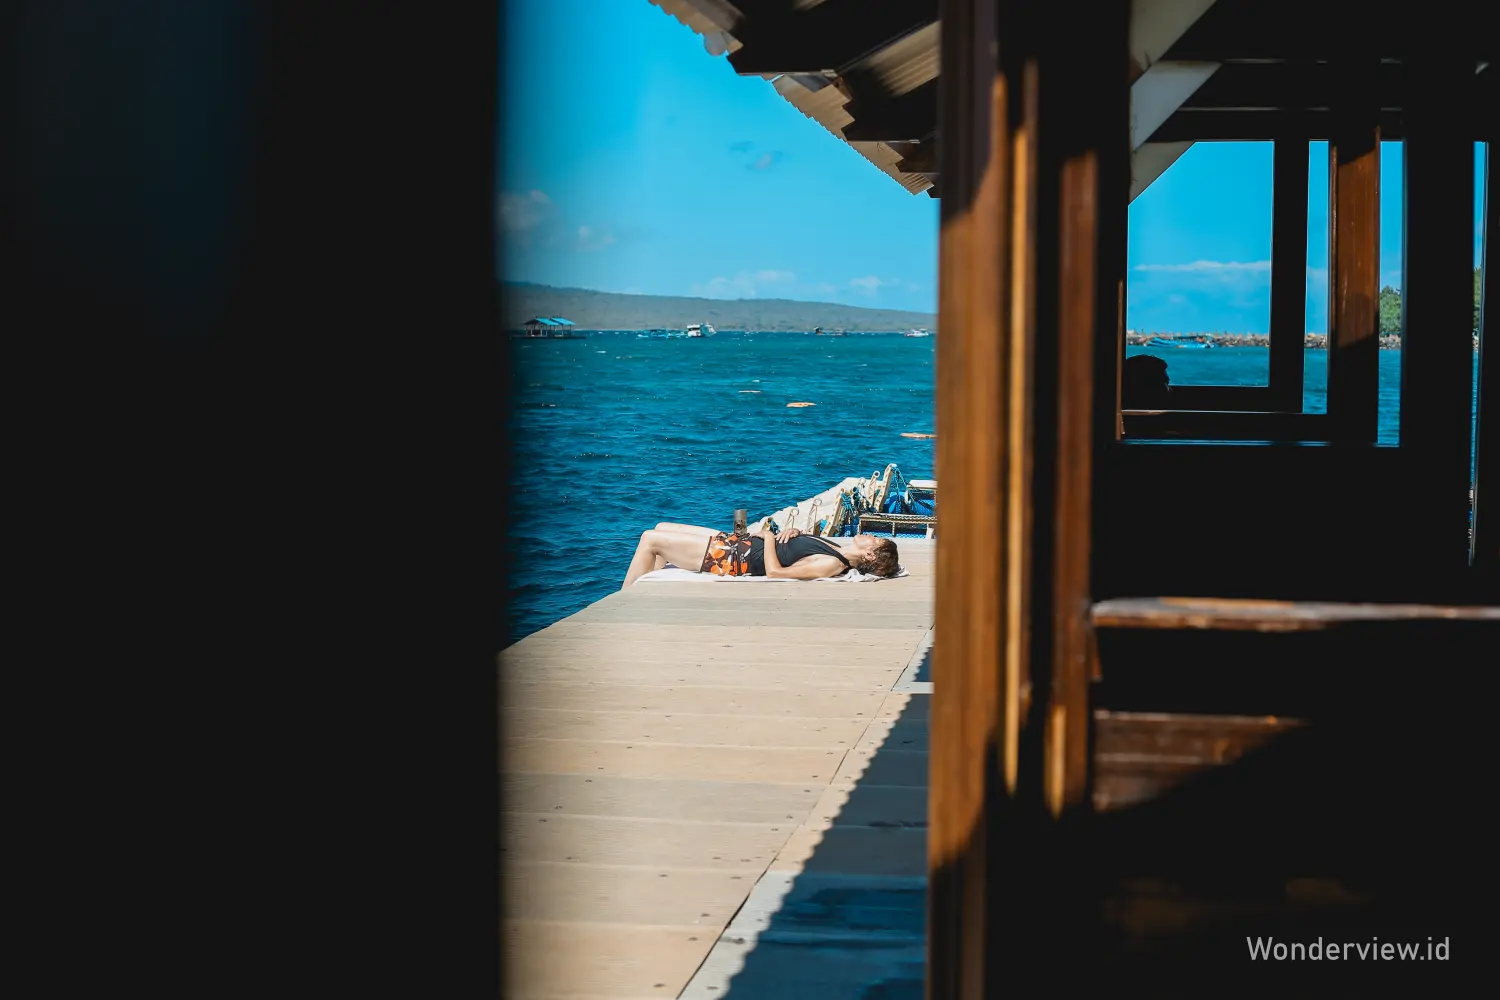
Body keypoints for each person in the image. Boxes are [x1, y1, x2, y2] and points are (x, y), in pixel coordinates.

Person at [621, 522, 900, 589]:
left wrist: (768, 537)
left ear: (871, 554)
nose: (871, 535)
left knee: (650, 539)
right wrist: (793, 532)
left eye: (876, 539)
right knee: (661, 528)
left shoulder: (831, 563)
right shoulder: (836, 548)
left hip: (732, 559)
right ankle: (644, 586)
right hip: (738, 544)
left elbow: (776, 572)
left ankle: (624, 599)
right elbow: (796, 550)